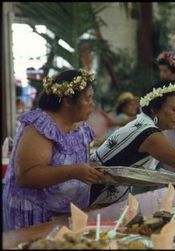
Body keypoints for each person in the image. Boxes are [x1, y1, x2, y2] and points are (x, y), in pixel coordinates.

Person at [2, 69, 105, 231]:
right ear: (67, 101)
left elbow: (74, 162)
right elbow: (26, 176)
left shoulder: (80, 125)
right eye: (87, 98)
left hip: (65, 213)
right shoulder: (42, 127)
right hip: (36, 215)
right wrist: (74, 171)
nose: (92, 103)